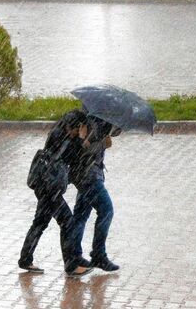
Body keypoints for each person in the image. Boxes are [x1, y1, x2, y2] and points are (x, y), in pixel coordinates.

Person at [18, 109, 91, 276]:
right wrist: (81, 140)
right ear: (75, 126)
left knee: (40, 222)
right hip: (50, 188)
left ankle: (25, 259)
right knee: (67, 222)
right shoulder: (65, 138)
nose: (81, 130)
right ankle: (71, 266)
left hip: (43, 185)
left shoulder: (58, 132)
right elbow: (74, 157)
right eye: (80, 127)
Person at [70, 116, 121, 272]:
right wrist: (101, 144)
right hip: (89, 176)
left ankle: (73, 256)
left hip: (86, 174)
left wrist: (108, 135)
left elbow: (115, 133)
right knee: (106, 210)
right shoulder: (90, 120)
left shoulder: (101, 119)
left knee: (80, 215)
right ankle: (98, 254)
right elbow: (83, 149)